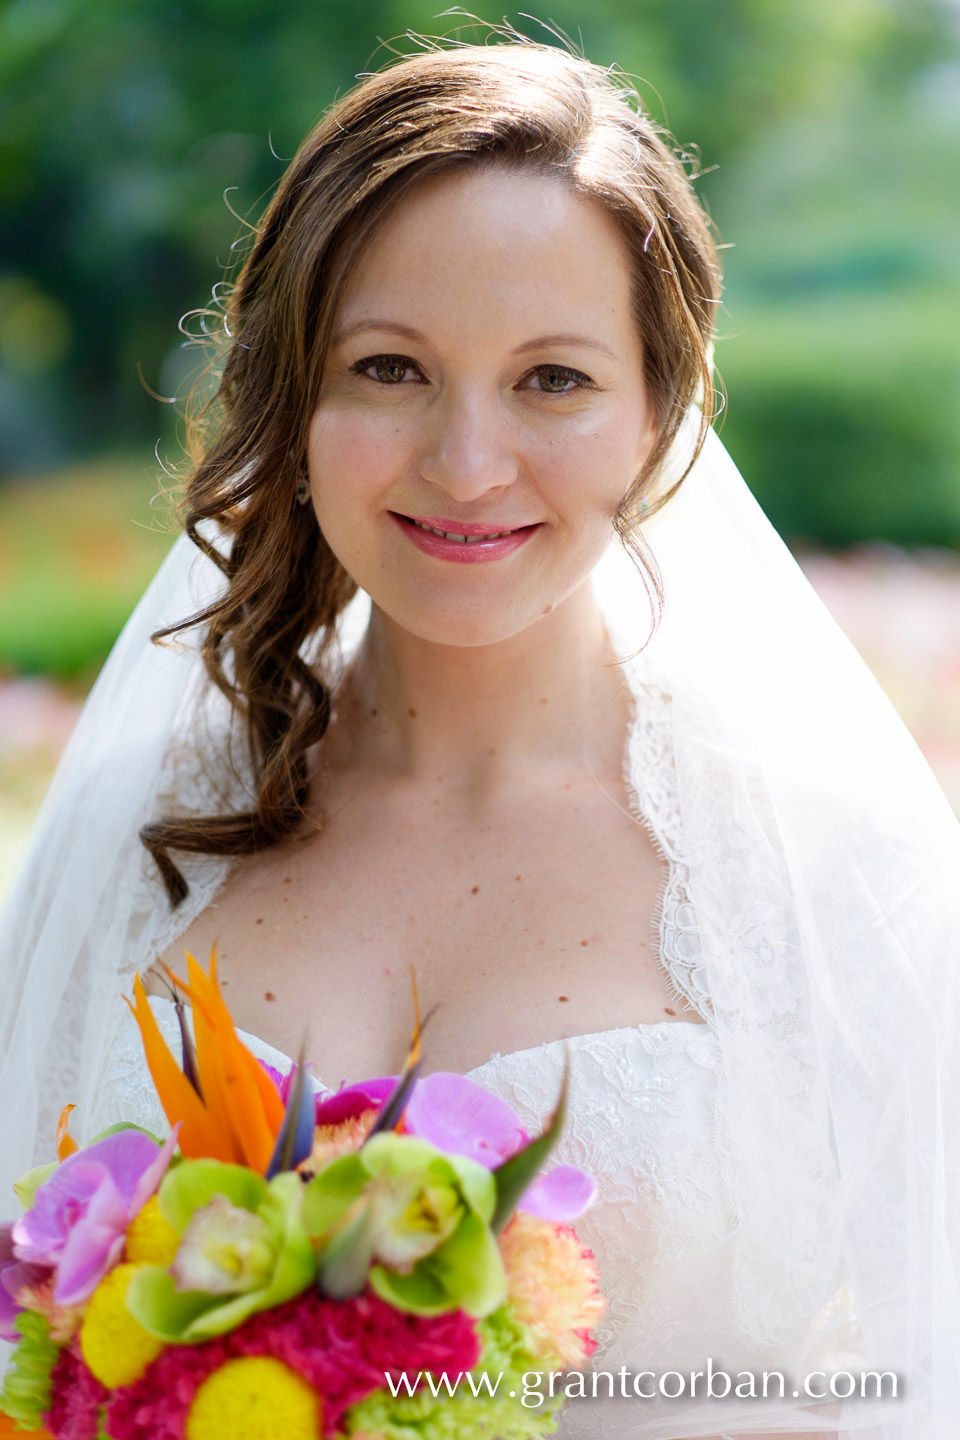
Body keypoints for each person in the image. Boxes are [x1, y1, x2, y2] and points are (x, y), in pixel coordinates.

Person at [1, 36, 958, 1440]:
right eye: (389, 368)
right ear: (294, 398)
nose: (464, 462)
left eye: (553, 379)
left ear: (658, 413)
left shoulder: (833, 870)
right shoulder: (132, 838)